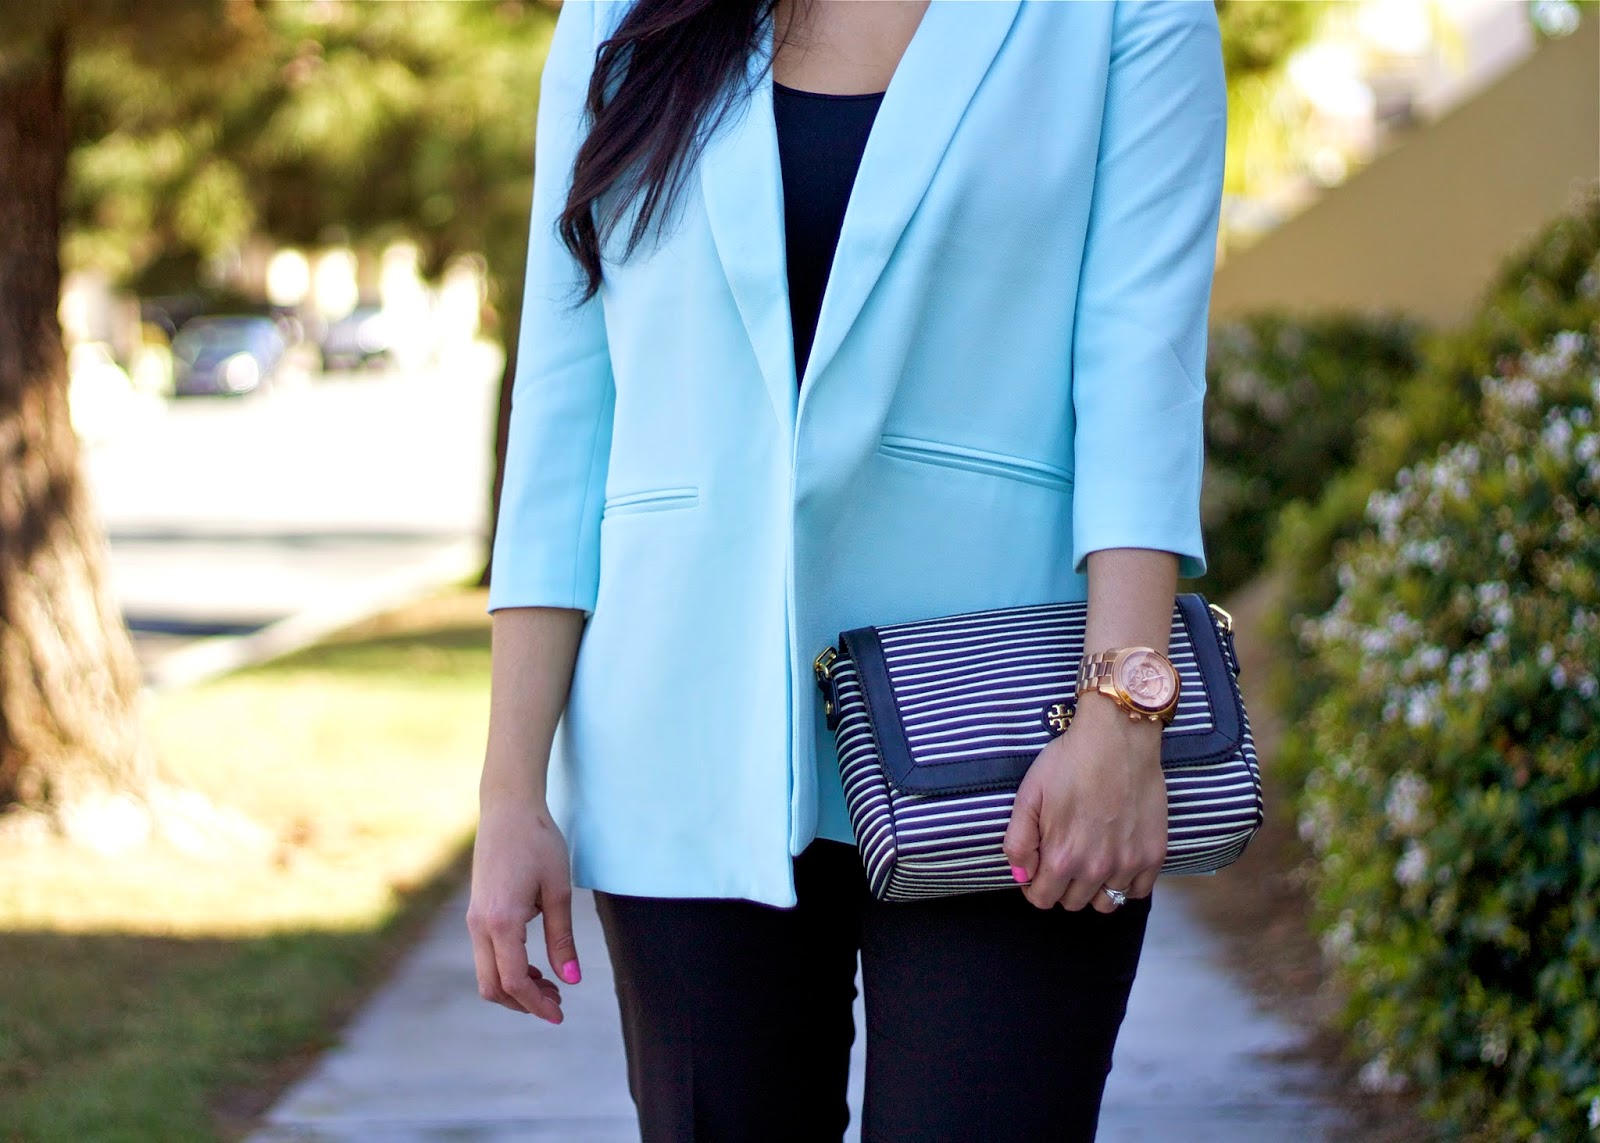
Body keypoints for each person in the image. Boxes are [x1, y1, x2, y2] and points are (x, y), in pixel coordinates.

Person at [469, 0, 1226, 1138]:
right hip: (680, 735)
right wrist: (510, 790)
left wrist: (1121, 716)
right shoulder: (620, 17)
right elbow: (566, 414)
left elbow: (1140, 370)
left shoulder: (1124, 13)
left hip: (1009, 747)